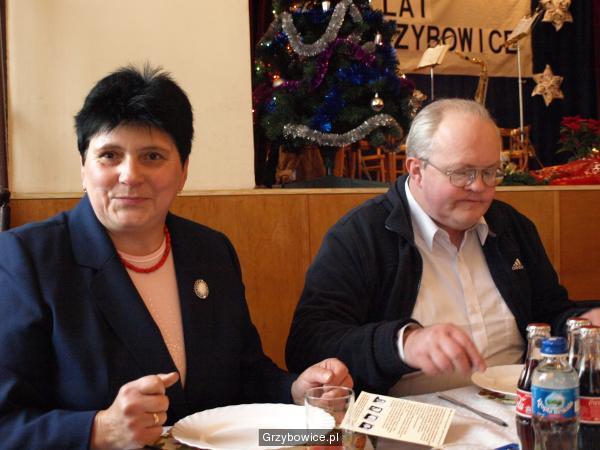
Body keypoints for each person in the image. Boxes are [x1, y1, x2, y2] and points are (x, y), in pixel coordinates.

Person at [0, 65, 352, 450]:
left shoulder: (211, 252)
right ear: (84, 167)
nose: (129, 175)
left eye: (152, 156)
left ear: (183, 171)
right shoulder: (26, 260)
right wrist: (98, 430)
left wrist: (295, 390)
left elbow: (245, 374)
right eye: (109, 155)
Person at [285, 98, 600, 396]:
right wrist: (402, 343)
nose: (479, 187)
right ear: (416, 170)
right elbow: (308, 344)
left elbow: (548, 315)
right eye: (462, 173)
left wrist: (583, 323)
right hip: (410, 419)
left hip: (518, 409)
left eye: (490, 172)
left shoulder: (512, 228)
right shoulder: (361, 236)